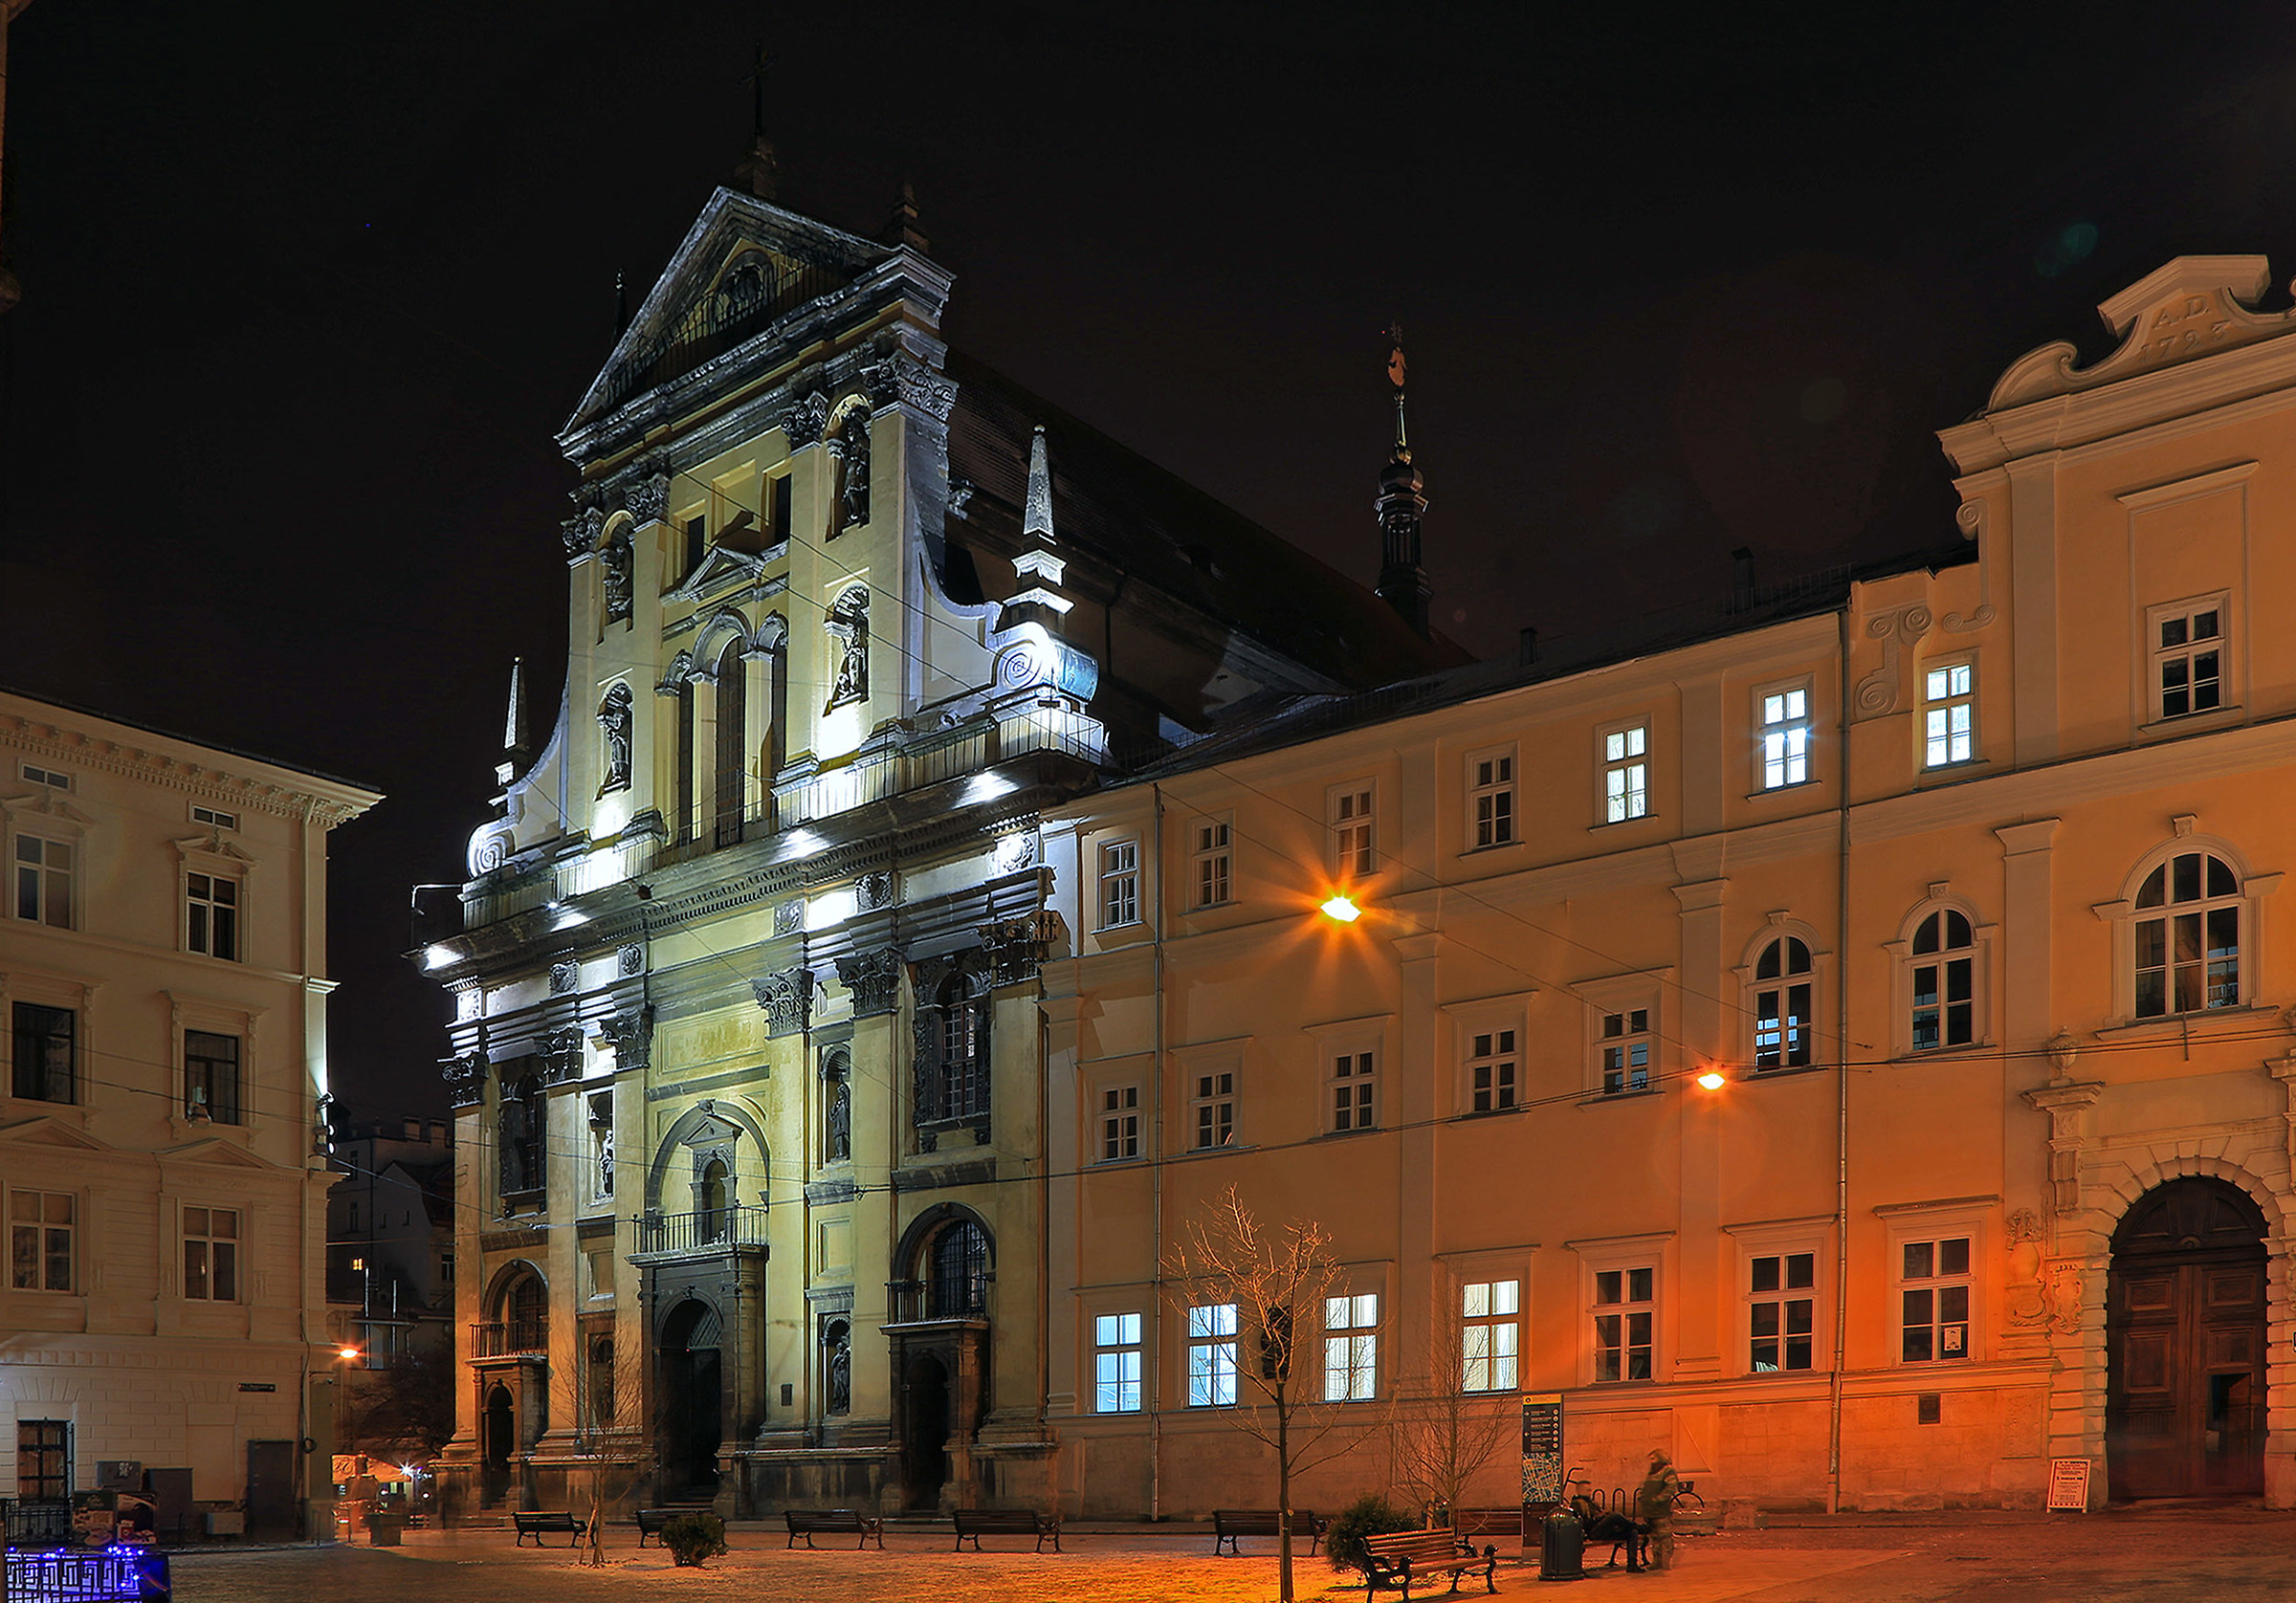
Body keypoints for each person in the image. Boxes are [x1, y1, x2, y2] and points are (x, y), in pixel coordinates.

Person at [1637, 1448, 1681, 1572]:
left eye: (1653, 1458)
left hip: (1660, 1510)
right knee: (1654, 1537)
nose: (1651, 1461)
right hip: (1649, 1510)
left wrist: (1658, 1499)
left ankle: (1666, 1560)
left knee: (1664, 1535)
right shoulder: (1652, 1472)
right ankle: (1657, 1561)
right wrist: (1642, 1498)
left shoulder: (1667, 1471)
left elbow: (1671, 1487)